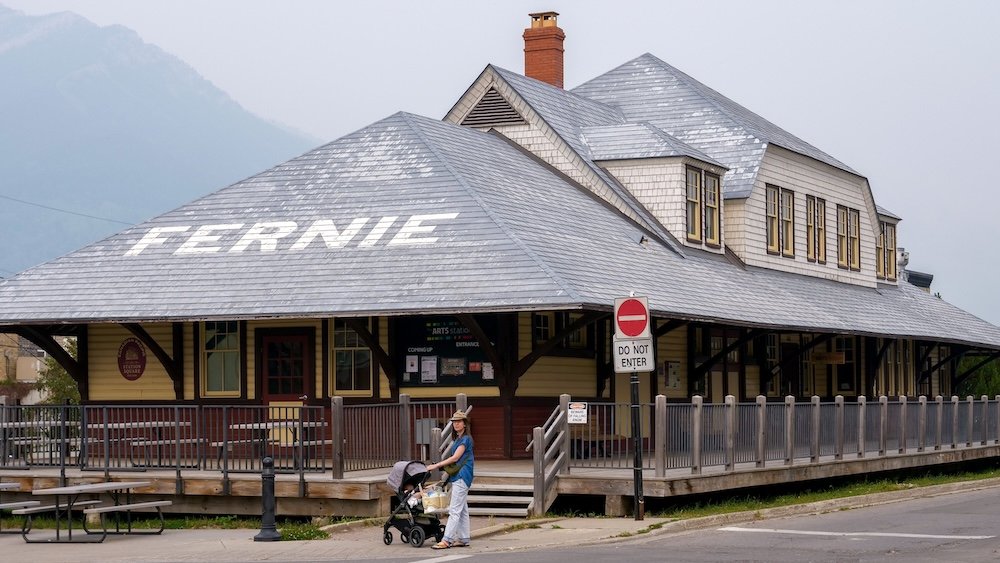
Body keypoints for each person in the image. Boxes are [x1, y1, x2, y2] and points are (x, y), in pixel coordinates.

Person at [426, 410, 474, 549]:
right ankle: (464, 538)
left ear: (465, 424)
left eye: (459, 422)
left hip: (462, 476)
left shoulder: (465, 439)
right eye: (454, 422)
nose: (456, 424)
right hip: (460, 476)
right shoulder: (459, 438)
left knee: (454, 510)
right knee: (462, 509)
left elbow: (455, 458)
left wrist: (436, 465)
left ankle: (447, 540)